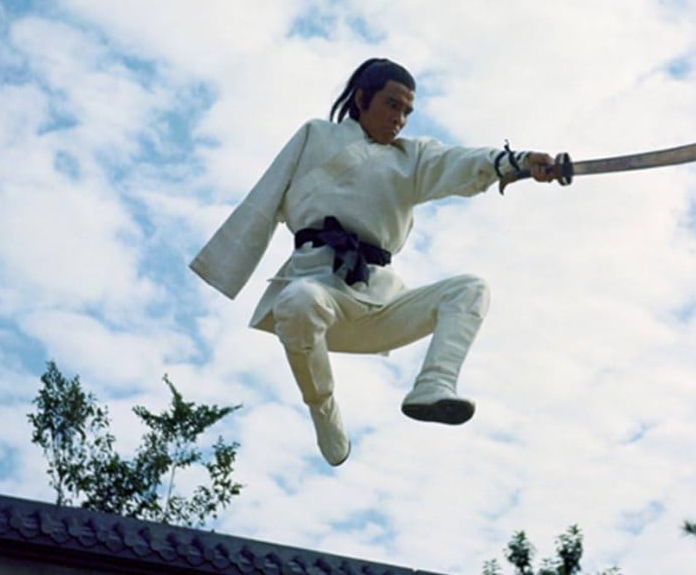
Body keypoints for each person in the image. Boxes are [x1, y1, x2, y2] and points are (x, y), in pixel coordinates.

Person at [190, 58, 555, 466]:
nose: (399, 119)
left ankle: (433, 385)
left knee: (470, 289)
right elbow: (263, 199)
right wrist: (223, 269)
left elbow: (461, 162)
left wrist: (519, 163)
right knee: (296, 301)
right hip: (317, 290)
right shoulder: (316, 136)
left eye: (407, 111)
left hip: (381, 303)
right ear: (362, 99)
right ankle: (323, 410)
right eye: (392, 105)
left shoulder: (413, 158)